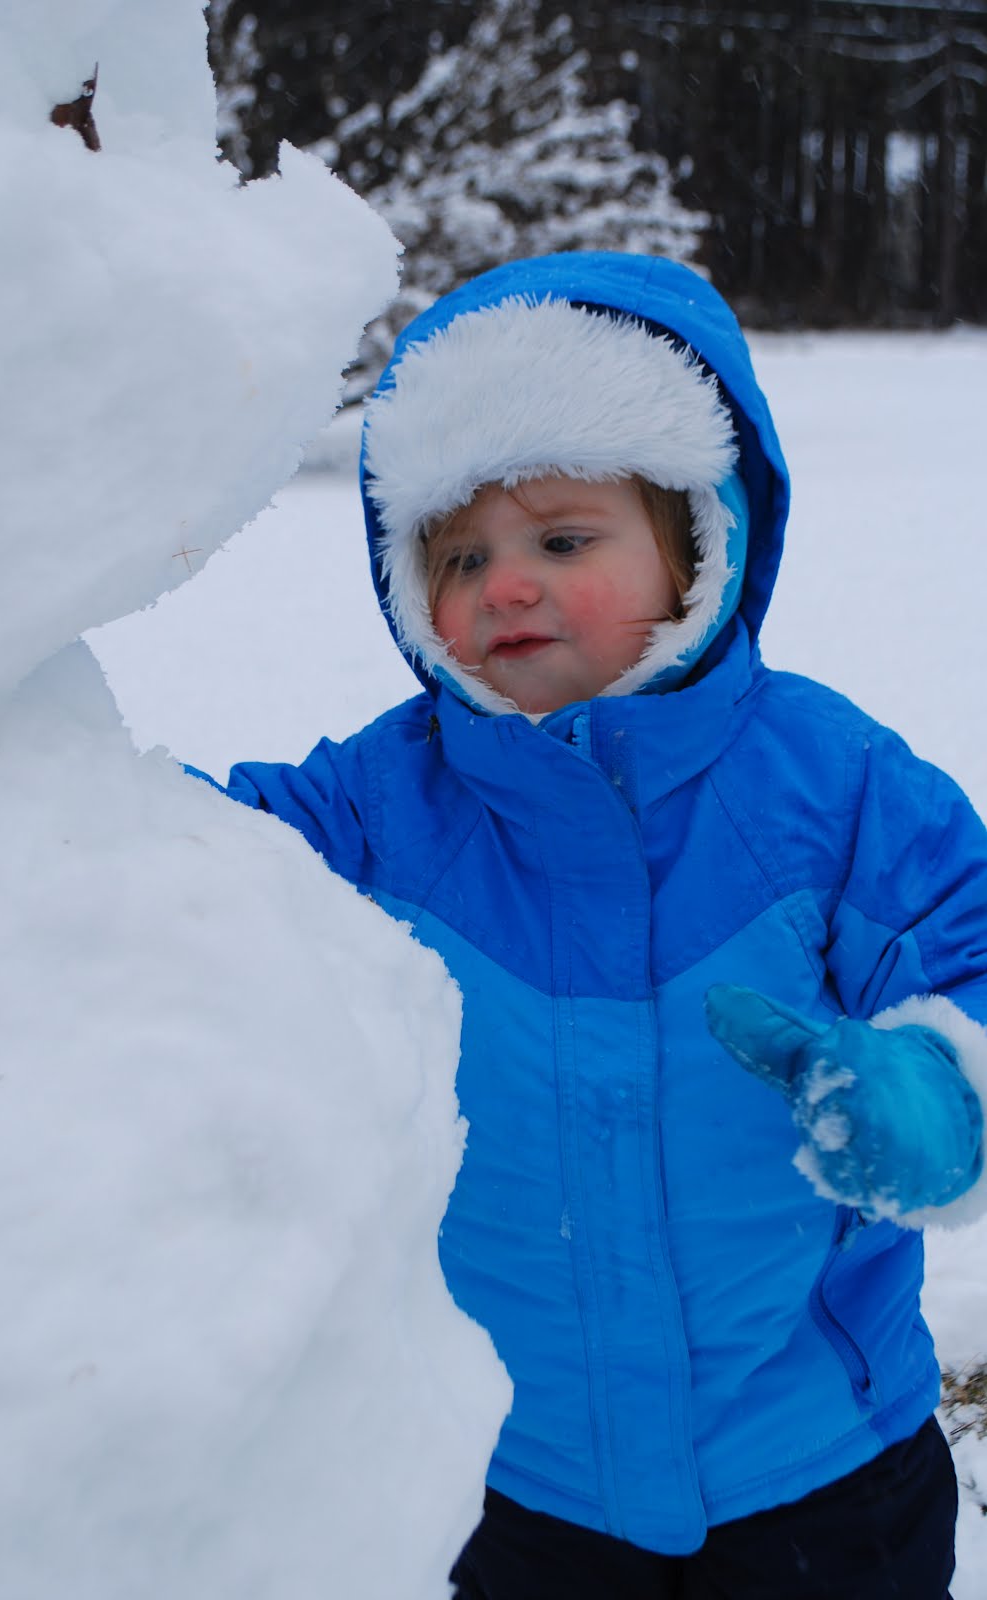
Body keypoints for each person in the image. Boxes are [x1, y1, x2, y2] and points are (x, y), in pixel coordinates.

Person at [200, 253, 987, 1597]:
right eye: (461, 555)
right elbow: (181, 857)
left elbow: (968, 946)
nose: (505, 587)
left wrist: (939, 1087)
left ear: (697, 542)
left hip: (822, 1473)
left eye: (563, 541)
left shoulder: (827, 785)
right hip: (519, 1484)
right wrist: (5, 771)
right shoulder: (383, 806)